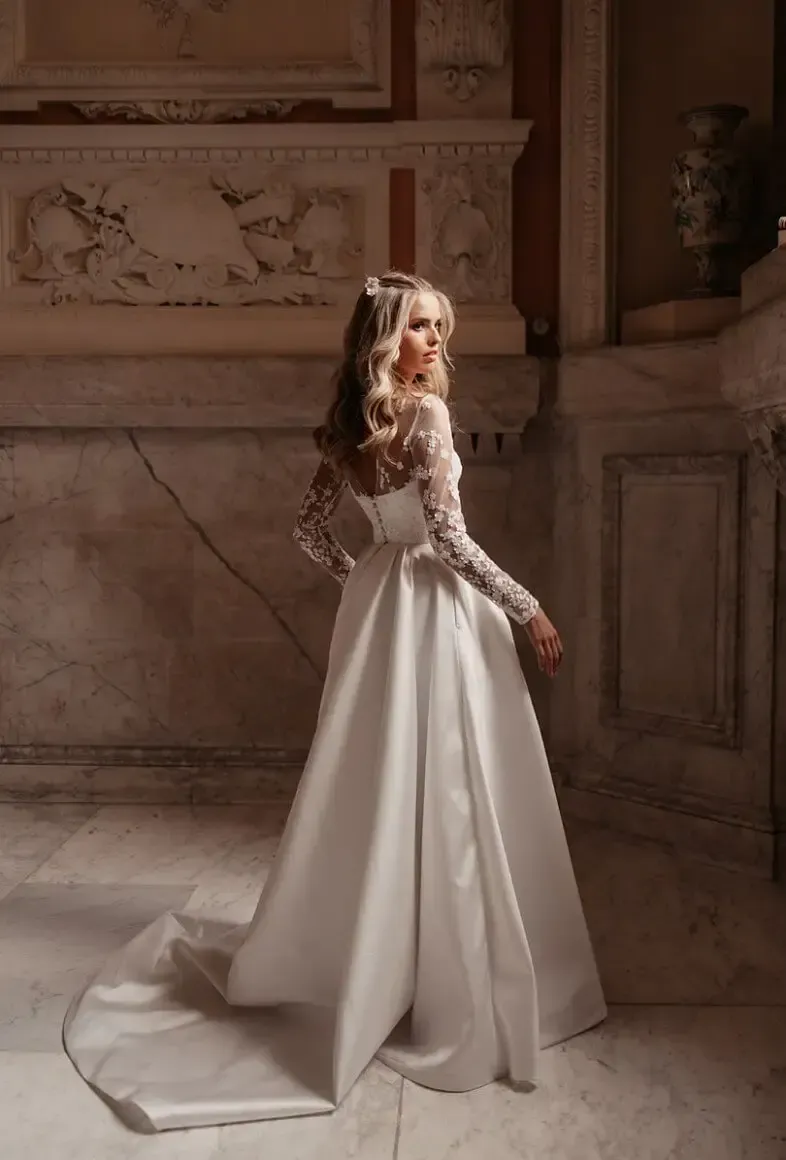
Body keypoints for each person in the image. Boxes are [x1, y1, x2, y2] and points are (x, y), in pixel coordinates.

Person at [62, 271, 606, 1133]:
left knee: (382, 780)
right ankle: (446, 970)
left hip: (386, 607)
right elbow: (454, 542)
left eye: (439, 328)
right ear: (388, 336)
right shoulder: (423, 417)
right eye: (422, 328)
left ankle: (377, 946)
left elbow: (310, 532)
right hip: (434, 606)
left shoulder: (349, 428)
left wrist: (369, 582)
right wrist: (527, 605)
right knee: (450, 779)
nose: (437, 343)